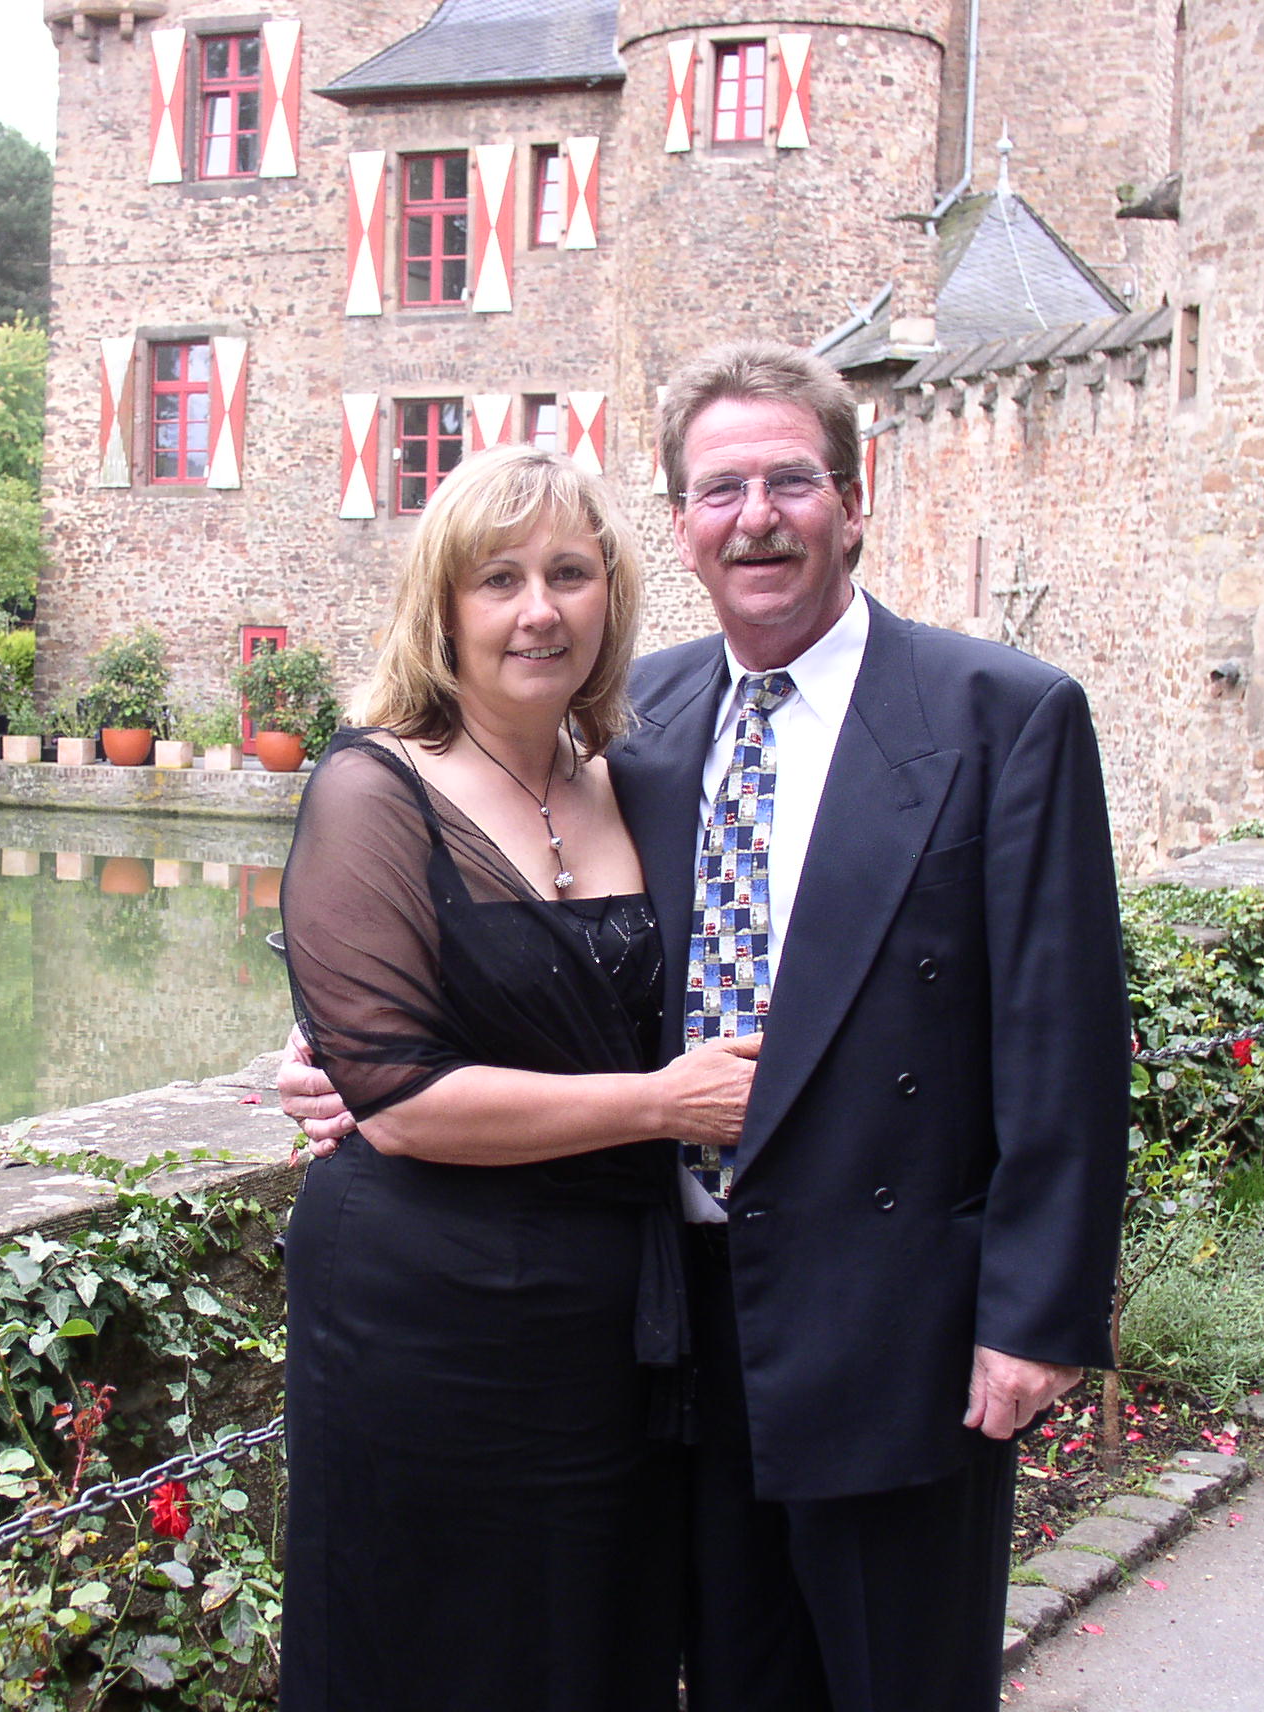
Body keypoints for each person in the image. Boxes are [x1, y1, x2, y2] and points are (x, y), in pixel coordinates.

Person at [282, 341, 1129, 1712]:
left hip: (889, 1322)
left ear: (853, 498)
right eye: (719, 491)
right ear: (679, 526)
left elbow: (1065, 1040)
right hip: (665, 1331)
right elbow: (525, 952)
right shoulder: (641, 724)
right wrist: (337, 1058)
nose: (756, 518)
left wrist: (1032, 1320)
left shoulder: (1000, 715)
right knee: (727, 1681)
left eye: (789, 481)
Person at [276, 443, 761, 1712]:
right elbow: (397, 1096)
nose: (536, 609)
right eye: (497, 579)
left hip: (609, 1324)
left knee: (588, 1646)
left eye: (567, 573)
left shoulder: (635, 780)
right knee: (425, 1647)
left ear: (611, 596)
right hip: (421, 1312)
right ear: (442, 606)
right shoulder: (373, 785)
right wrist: (661, 1102)